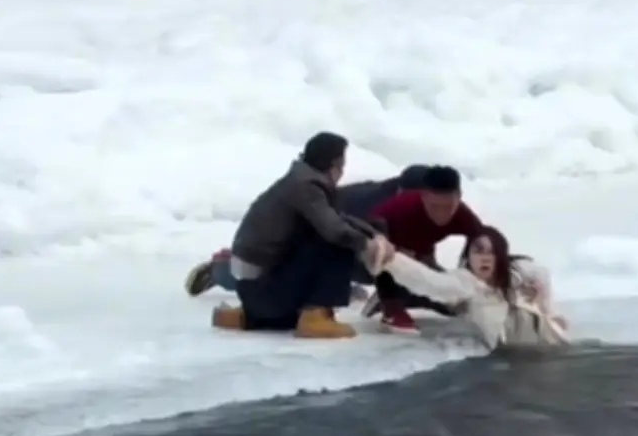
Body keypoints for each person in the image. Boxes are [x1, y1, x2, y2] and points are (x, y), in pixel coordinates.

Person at [212, 131, 395, 339]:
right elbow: (335, 230)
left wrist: (373, 236)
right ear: (333, 164)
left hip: (255, 290)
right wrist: (364, 244)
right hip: (264, 289)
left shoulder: (301, 180)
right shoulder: (306, 187)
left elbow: (339, 217)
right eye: (341, 165)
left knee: (330, 236)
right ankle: (315, 316)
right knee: (336, 243)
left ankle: (247, 316)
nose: (342, 171)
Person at [184, 165, 430, 297]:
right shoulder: (369, 202)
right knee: (278, 287)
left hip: (342, 244)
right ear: (401, 191)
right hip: (307, 237)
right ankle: (220, 270)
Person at [376, 225, 569, 351]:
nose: (485, 257)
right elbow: (429, 282)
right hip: (511, 358)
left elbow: (541, 274)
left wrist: (546, 308)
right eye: (478, 251)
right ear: (468, 256)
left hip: (549, 347)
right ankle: (383, 300)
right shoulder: (466, 283)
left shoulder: (518, 271)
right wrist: (391, 260)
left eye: (492, 252)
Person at [364, 165, 484, 334]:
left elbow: (485, 242)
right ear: (424, 197)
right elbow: (366, 234)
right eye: (435, 207)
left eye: (448, 207)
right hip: (367, 252)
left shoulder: (462, 214)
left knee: (448, 295)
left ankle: (409, 296)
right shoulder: (398, 208)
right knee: (382, 252)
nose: (441, 214)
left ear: (459, 197)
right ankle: (390, 308)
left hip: (419, 252)